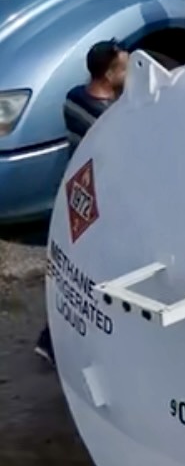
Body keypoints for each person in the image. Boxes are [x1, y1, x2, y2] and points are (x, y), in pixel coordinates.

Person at [35, 41, 131, 368]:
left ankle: (50, 338)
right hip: (98, 206)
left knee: (73, 273)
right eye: (124, 68)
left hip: (74, 196)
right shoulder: (109, 120)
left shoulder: (74, 98)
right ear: (109, 73)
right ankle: (58, 341)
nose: (129, 73)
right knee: (92, 275)